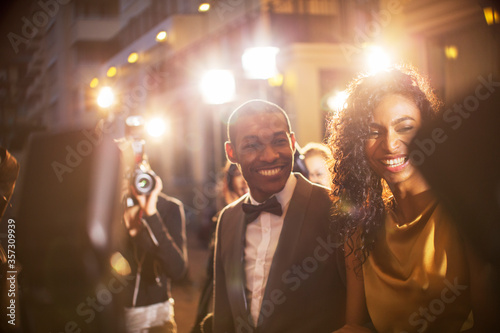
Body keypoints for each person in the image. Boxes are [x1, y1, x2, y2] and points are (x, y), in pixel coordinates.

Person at [328, 65, 499, 332]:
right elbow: (355, 325)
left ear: (427, 132)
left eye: (405, 128)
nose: (391, 144)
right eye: (374, 132)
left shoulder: (464, 213)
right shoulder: (360, 227)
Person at [213, 99, 346, 333]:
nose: (270, 155)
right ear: (231, 152)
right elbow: (224, 313)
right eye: (252, 145)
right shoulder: (228, 218)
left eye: (278, 141)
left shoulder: (333, 208)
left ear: (293, 143)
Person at [120, 148, 188, 333]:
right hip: (111, 321)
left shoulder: (168, 208)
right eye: (122, 173)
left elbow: (177, 270)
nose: (127, 180)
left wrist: (151, 213)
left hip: (156, 323)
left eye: (133, 172)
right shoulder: (105, 212)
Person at [191, 162, 248, 333]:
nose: (244, 180)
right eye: (238, 173)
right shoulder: (221, 219)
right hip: (217, 300)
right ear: (230, 180)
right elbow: (212, 275)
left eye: (247, 171)